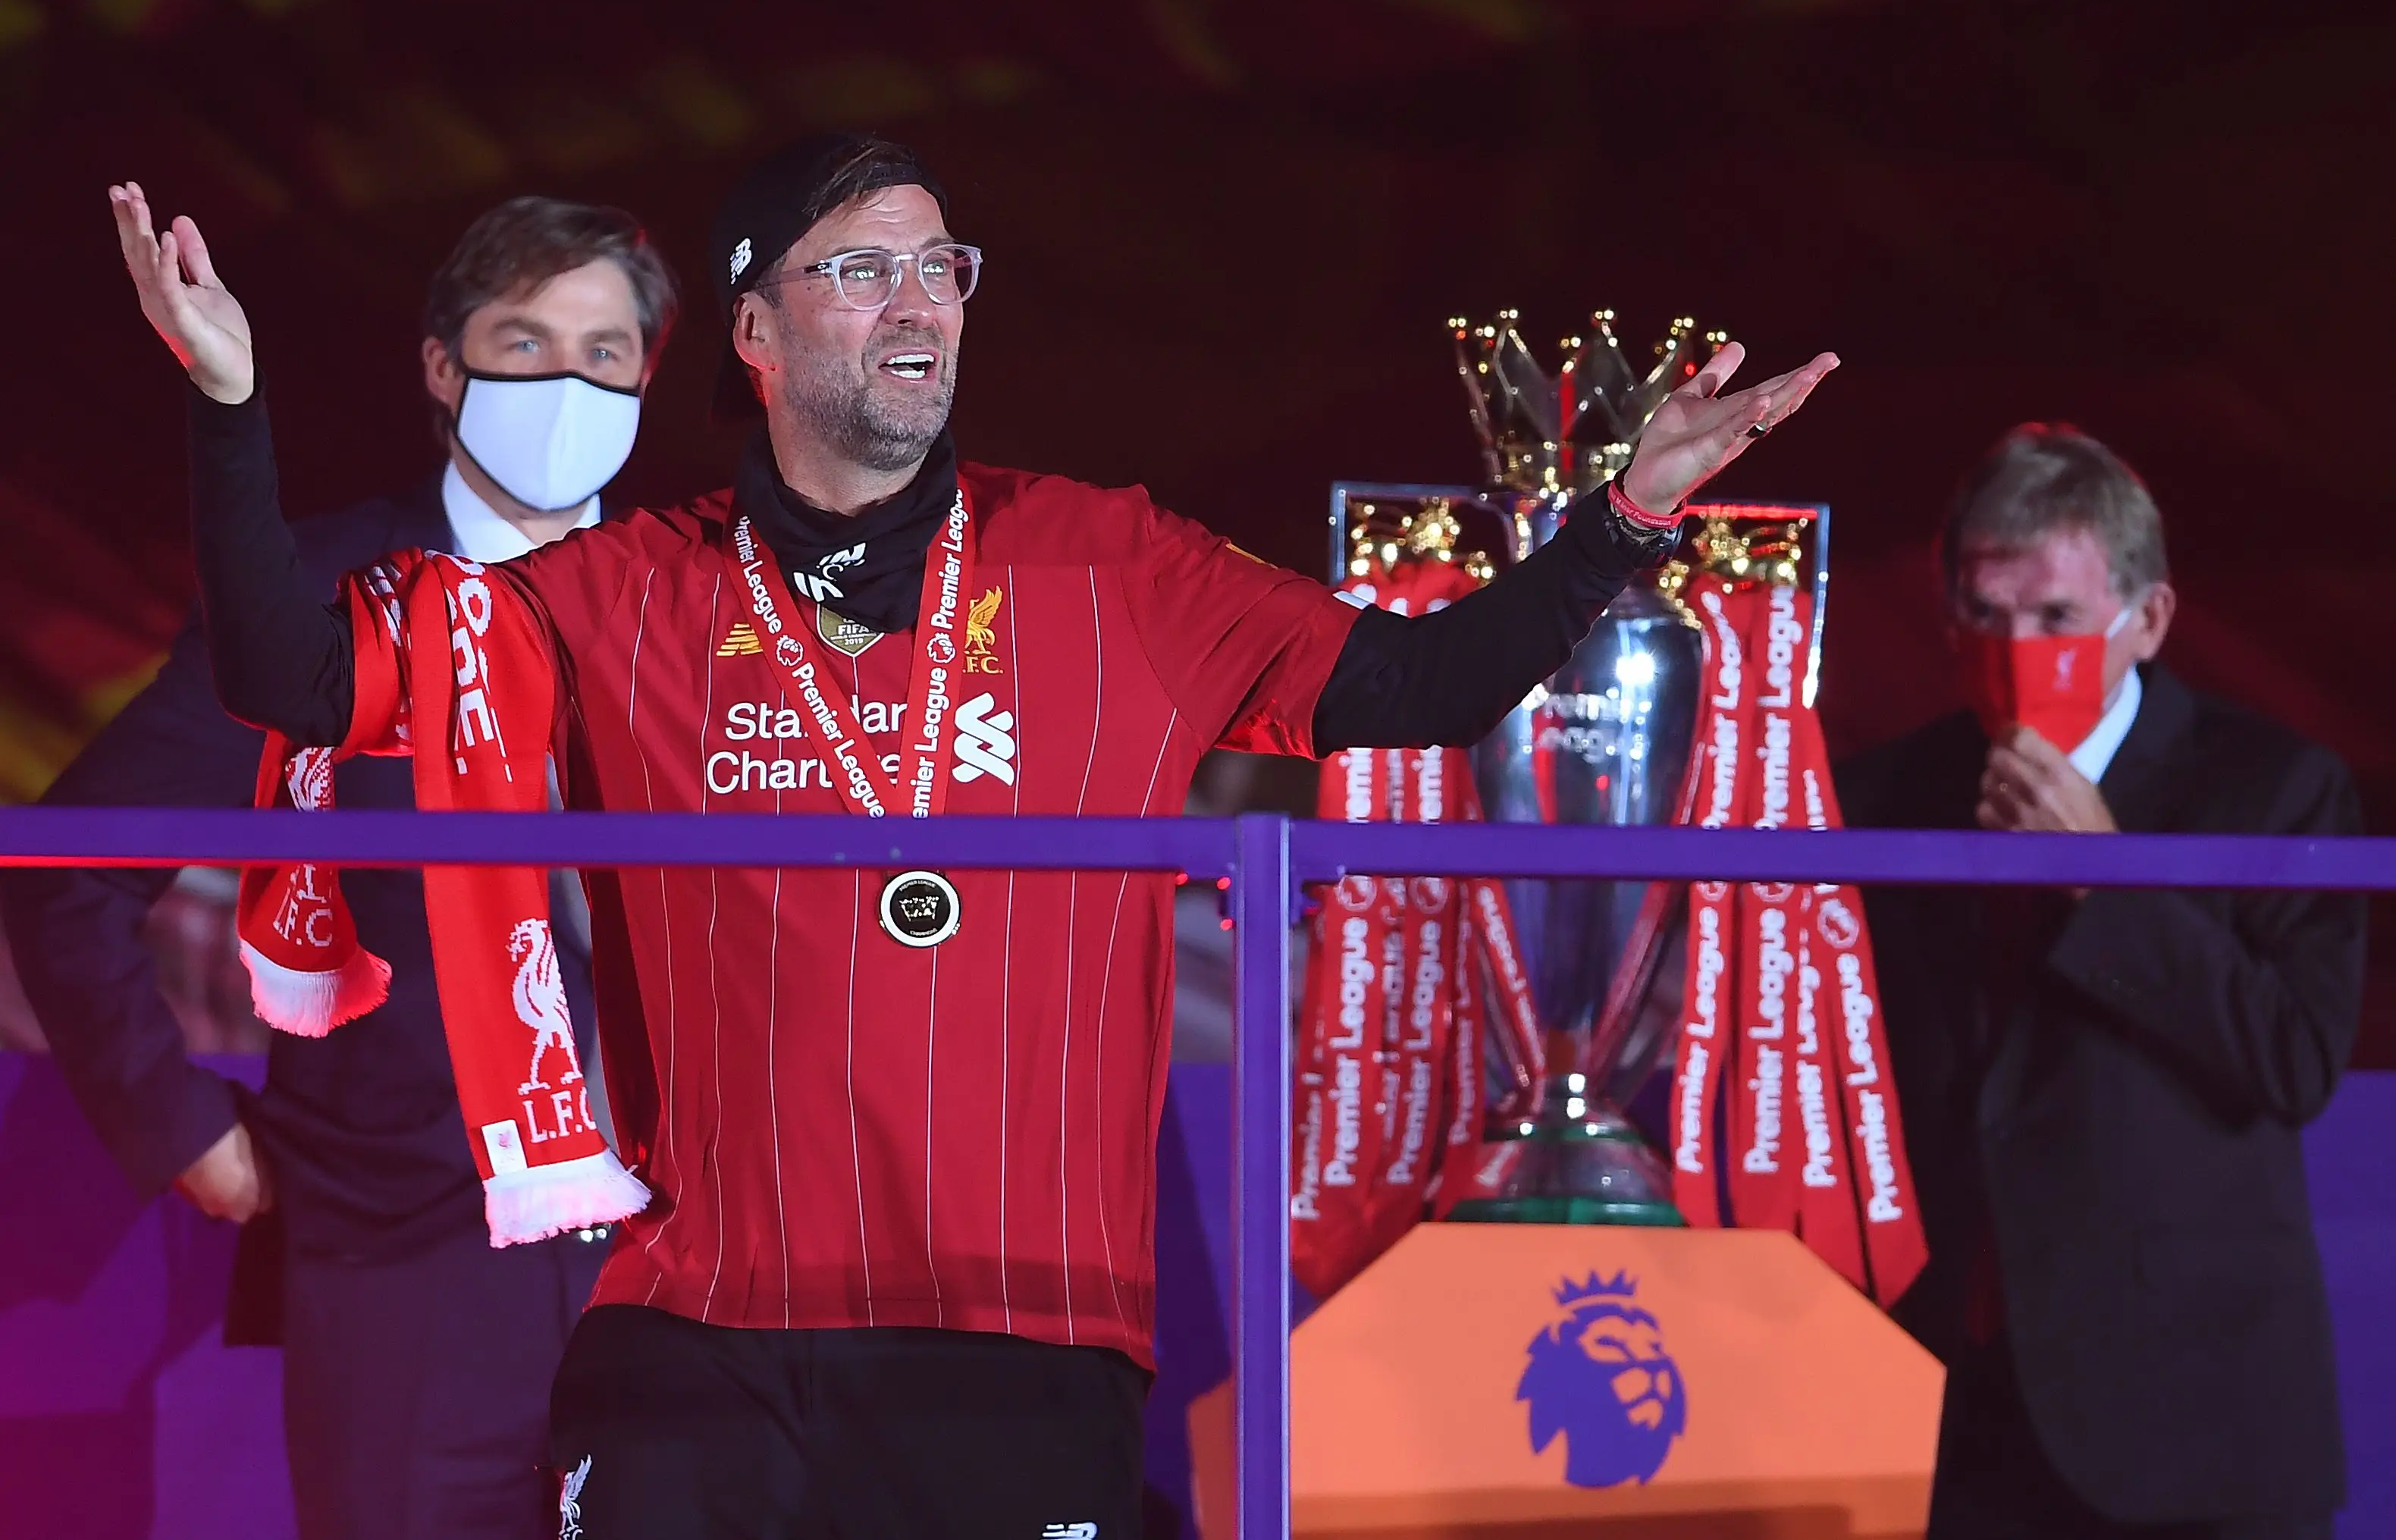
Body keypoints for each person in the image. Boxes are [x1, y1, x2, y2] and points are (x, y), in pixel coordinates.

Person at [104, 133, 1838, 1538]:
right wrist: (228, 409)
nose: (916, 300)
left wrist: (1618, 522)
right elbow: (298, 678)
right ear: (755, 332)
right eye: (859, 267)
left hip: (1021, 1339)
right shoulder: (624, 588)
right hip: (700, 1339)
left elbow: (1426, 681)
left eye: (941, 265)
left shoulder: (1114, 564)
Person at [4, 194, 679, 1540]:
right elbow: (65, 864)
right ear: (444, 365)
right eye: (526, 343)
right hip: (409, 1257)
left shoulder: (706, 602)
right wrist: (184, 1130)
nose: (567, 385)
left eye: (605, 354)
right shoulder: (317, 593)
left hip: (683, 1270)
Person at [1838, 425, 2363, 1540]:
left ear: (2148, 621)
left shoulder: (2275, 787)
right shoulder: (1884, 790)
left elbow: (2296, 1056)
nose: (2015, 647)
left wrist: (2102, 879)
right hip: (1941, 1409)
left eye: (2057, 620)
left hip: (2188, 1416)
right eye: (1986, 614)